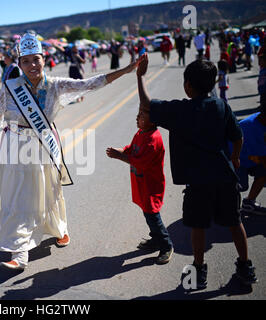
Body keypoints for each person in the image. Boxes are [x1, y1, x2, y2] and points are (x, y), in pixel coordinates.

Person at [0, 32, 143, 270]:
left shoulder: (56, 85)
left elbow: (90, 84)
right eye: (26, 61)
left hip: (44, 145)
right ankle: (19, 251)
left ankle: (58, 228)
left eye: (36, 59)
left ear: (44, 59)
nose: (32, 65)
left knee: (49, 190)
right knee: (17, 196)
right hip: (14, 146)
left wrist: (127, 69)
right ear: (19, 64)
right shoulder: (11, 87)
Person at [136, 55, 258, 288]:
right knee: (235, 222)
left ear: (188, 86)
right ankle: (246, 266)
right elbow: (238, 135)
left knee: (198, 226)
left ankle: (199, 271)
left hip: (198, 182)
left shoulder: (180, 110)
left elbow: (146, 105)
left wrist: (140, 76)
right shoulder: (221, 105)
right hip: (224, 176)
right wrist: (234, 158)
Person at [106, 107, 173, 264]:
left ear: (152, 121)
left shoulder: (153, 139)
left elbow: (141, 163)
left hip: (151, 186)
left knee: (153, 215)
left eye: (141, 116)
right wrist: (122, 150)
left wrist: (120, 156)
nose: (137, 118)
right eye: (138, 114)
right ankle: (156, 239)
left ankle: (166, 245)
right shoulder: (141, 133)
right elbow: (132, 148)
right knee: (147, 214)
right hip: (141, 184)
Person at [237, 93, 266, 215]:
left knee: (263, 172)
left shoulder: (261, 120)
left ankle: (249, 202)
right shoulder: (250, 127)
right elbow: (262, 159)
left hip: (251, 158)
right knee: (241, 186)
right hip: (234, 160)